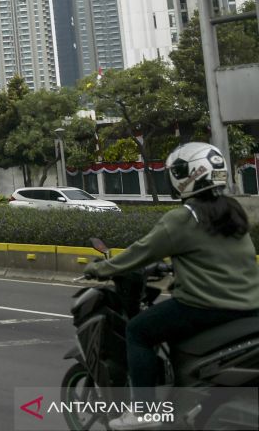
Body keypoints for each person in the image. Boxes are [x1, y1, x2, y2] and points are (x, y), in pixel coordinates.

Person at [83, 142, 259, 430]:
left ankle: (143, 411)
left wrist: (99, 268)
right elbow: (211, 254)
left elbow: (140, 251)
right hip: (249, 304)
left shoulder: (183, 217)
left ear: (184, 177)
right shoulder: (232, 210)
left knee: (138, 330)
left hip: (206, 305)